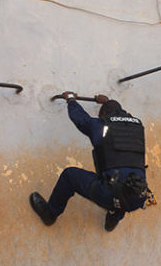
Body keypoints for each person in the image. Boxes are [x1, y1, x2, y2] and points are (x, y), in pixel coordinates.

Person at [29, 92, 153, 232]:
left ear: (104, 113)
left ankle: (50, 214)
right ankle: (113, 220)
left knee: (70, 176)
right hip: (138, 196)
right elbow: (116, 114)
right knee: (126, 177)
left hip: (108, 194)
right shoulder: (137, 126)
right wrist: (107, 102)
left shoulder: (102, 125)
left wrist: (71, 99)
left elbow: (81, 120)